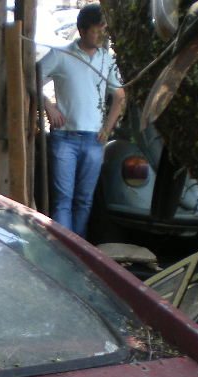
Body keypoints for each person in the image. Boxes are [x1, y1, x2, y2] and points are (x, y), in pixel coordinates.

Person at [39, 4, 126, 237]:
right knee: (63, 200)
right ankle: (64, 251)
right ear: (82, 30)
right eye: (96, 30)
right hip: (64, 138)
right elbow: (32, 78)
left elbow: (119, 96)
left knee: (84, 201)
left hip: (95, 140)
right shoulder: (60, 55)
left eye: (103, 30)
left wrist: (107, 129)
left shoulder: (107, 60)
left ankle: (80, 255)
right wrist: (49, 106)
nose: (100, 35)